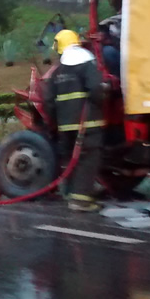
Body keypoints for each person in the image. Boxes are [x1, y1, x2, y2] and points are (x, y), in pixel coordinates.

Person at [43, 29, 105, 212]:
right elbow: (96, 89)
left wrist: (55, 123)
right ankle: (81, 201)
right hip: (87, 124)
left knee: (71, 159)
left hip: (65, 127)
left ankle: (71, 193)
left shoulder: (57, 71)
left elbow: (48, 101)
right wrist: (102, 101)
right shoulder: (86, 63)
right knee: (88, 159)